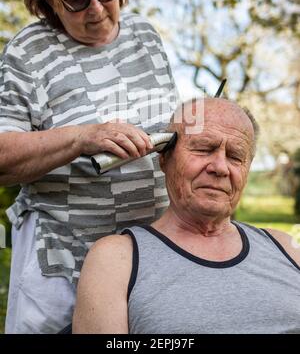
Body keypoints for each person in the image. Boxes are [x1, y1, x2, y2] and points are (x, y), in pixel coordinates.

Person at [0, 0, 177, 334]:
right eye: (77, 0)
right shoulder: (28, 52)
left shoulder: (146, 37)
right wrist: (83, 137)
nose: (97, 9)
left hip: (146, 255)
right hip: (62, 263)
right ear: (49, 1)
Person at [73, 98, 300, 334]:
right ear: (164, 158)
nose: (220, 167)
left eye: (235, 156)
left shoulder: (285, 248)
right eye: (203, 149)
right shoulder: (117, 259)